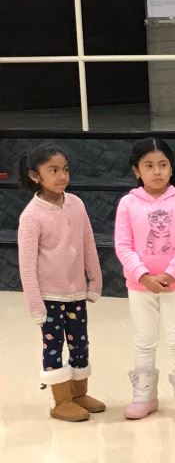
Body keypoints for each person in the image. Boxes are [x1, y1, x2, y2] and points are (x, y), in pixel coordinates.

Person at [114, 138, 175, 422]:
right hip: (140, 286)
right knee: (144, 339)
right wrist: (144, 275)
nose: (157, 171)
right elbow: (123, 245)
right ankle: (144, 395)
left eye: (163, 164)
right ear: (136, 171)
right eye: (149, 165)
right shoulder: (128, 203)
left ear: (172, 168)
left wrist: (171, 274)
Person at [16, 143, 104, 422]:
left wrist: (95, 281)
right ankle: (61, 401)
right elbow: (27, 266)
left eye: (65, 169)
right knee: (53, 348)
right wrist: (36, 306)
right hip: (49, 298)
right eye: (53, 170)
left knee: (80, 343)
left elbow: (88, 243)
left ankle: (79, 393)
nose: (62, 176)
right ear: (35, 176)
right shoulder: (31, 216)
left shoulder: (76, 204)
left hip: (76, 292)